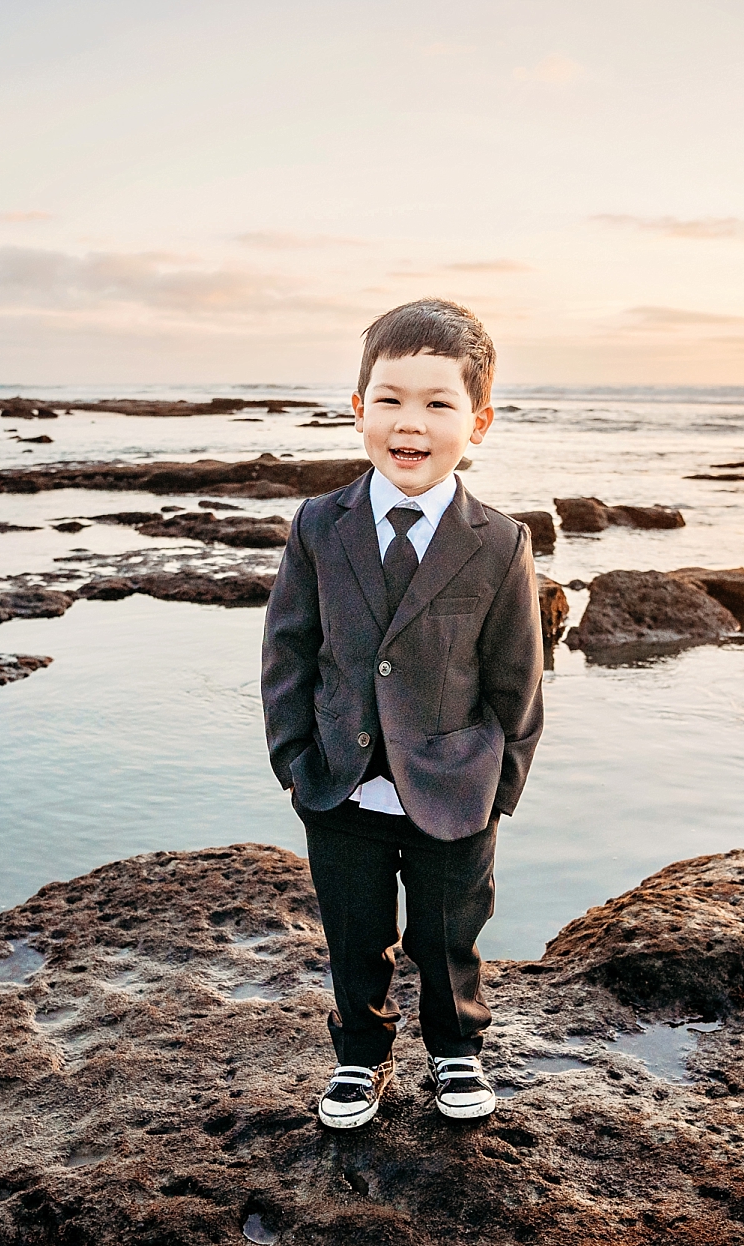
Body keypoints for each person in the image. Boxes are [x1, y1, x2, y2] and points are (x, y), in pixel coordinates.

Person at [261, 298, 544, 1130]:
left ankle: (456, 1049)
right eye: (388, 399)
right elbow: (288, 652)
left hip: (455, 787)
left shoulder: (499, 542)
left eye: (436, 403)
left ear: (478, 422)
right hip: (339, 787)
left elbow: (517, 680)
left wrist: (499, 790)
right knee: (353, 936)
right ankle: (360, 1058)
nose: (408, 423)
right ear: (358, 410)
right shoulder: (320, 525)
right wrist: (295, 760)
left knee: (449, 934)